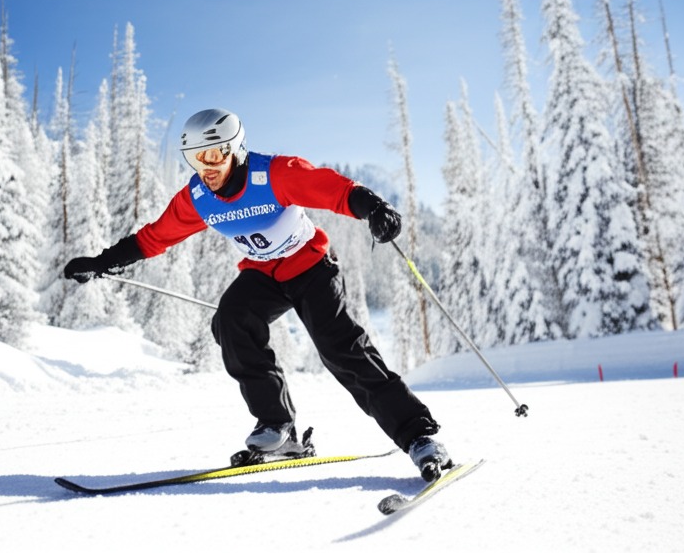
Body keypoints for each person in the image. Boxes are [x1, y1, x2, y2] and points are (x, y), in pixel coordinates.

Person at [64, 108, 452, 480]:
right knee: (231, 320)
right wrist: (102, 261)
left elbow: (332, 188)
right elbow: (155, 236)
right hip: (264, 274)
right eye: (195, 158)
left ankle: (419, 436)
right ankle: (278, 427)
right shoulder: (199, 197)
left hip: (311, 266)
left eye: (214, 155)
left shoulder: (275, 173)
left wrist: (373, 208)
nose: (207, 168)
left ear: (234, 149)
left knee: (340, 348)